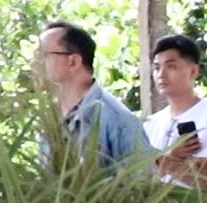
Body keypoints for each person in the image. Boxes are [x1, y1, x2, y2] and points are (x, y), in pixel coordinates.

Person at [38, 21, 146, 169]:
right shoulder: (50, 117)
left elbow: (143, 183)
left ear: (74, 62)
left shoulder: (117, 119)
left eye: (44, 55)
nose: (35, 62)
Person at [142, 34, 207, 190]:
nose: (161, 74)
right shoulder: (151, 123)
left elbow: (205, 180)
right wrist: (171, 157)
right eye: (157, 67)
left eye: (171, 66)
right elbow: (139, 177)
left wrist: (161, 161)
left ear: (193, 71)